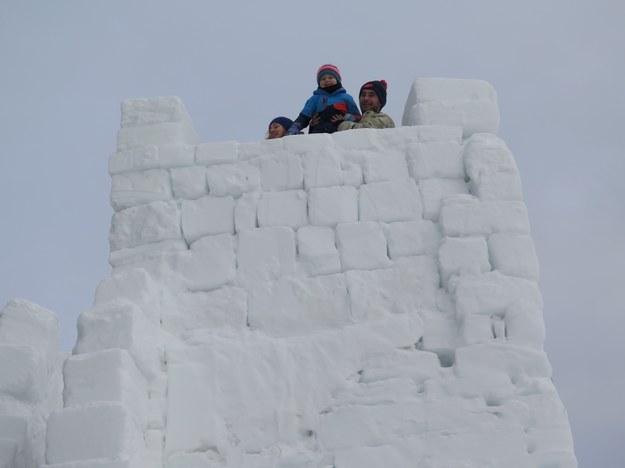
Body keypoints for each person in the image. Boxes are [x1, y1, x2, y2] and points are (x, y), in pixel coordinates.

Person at [285, 64, 361, 135]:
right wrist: (294, 128)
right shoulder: (315, 98)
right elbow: (304, 116)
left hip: (340, 131)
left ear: (337, 79)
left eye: (330, 77)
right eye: (323, 79)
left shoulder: (346, 97)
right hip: (319, 131)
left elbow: (357, 117)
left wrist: (346, 117)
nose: (327, 80)